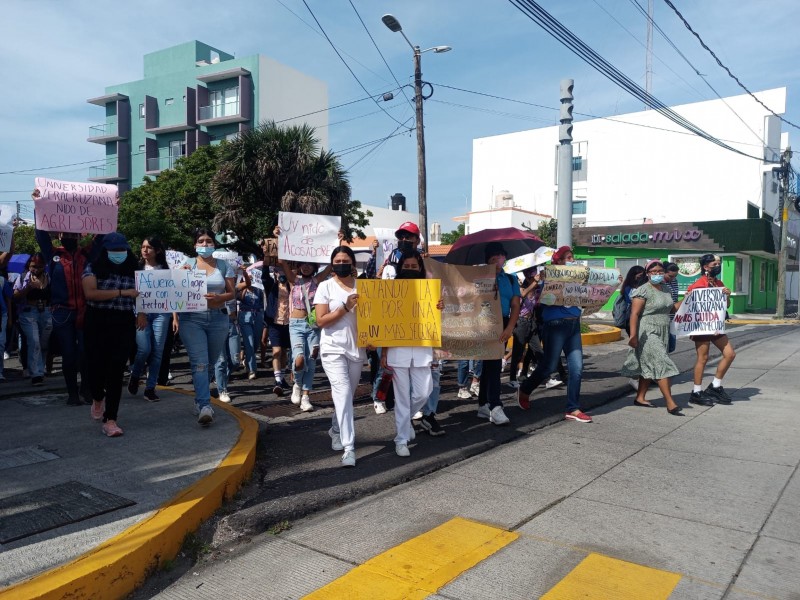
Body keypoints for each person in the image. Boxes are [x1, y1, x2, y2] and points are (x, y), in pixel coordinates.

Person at [34, 218, 106, 405]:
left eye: (73, 233)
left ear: (79, 235)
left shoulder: (87, 254)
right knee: (68, 354)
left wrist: (112, 210)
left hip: (84, 310)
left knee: (86, 352)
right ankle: (72, 393)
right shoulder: (52, 255)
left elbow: (101, 235)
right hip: (61, 312)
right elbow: (40, 234)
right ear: (59, 235)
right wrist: (38, 206)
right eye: (65, 233)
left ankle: (86, 389)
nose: (69, 236)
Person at [517, 246, 592, 423]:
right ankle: (525, 389)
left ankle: (573, 408)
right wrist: (540, 282)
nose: (572, 260)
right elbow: (541, 301)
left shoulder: (578, 280)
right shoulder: (548, 278)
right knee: (549, 366)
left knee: (577, 368)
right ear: (557, 262)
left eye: (572, 257)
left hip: (574, 324)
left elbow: (589, 298)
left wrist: (611, 284)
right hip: (555, 325)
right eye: (568, 257)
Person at [81, 233, 139, 437]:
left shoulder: (134, 270)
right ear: (105, 251)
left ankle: (111, 419)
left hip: (123, 322)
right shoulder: (92, 268)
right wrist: (122, 293)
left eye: (122, 250)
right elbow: (91, 293)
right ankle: (98, 397)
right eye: (114, 251)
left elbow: (145, 295)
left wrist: (142, 314)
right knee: (95, 367)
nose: (119, 254)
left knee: (116, 371)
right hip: (97, 321)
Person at [178, 228, 236, 425]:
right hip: (192, 319)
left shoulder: (223, 265)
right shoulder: (187, 264)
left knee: (210, 363)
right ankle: (205, 405)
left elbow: (232, 293)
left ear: (214, 244)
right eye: (201, 241)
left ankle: (199, 399)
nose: (205, 244)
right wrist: (180, 276)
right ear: (195, 245)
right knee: (200, 363)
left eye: (208, 241)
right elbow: (174, 291)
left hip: (218, 319)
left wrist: (220, 297)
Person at [314, 246, 365, 468]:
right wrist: (345, 307)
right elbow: (321, 320)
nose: (342, 263)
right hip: (333, 348)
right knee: (343, 393)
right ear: (332, 264)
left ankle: (335, 428)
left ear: (353, 263)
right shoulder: (325, 287)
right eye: (338, 260)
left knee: (347, 396)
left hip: (356, 349)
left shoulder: (364, 287)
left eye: (346, 260)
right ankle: (349, 447)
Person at [620, 260, 684, 416]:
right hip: (647, 331)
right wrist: (634, 335)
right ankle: (670, 402)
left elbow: (672, 308)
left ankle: (640, 397)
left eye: (660, 271)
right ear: (647, 273)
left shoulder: (666, 289)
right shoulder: (643, 290)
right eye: (653, 271)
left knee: (649, 365)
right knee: (661, 362)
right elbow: (634, 314)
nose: (657, 274)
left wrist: (687, 298)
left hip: (663, 329)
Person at [372, 222, 422, 414]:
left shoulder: (422, 261)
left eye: (409, 237)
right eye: (401, 237)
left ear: (417, 240)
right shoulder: (390, 260)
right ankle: (379, 397)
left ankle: (410, 402)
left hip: (413, 319)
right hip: (390, 316)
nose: (404, 240)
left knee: (409, 366)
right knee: (385, 364)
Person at [279, 251, 333, 413]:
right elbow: (282, 262)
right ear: (299, 266)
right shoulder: (294, 281)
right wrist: (279, 237)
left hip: (313, 326)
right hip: (295, 325)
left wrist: (338, 241)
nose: (307, 267)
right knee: (299, 359)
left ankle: (306, 396)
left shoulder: (317, 281)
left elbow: (330, 266)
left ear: (315, 266)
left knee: (311, 361)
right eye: (303, 264)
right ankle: (297, 383)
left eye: (310, 264)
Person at [476, 242, 520, 425]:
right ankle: (495, 405)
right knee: (491, 364)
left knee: (491, 365)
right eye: (492, 259)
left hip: (502, 322)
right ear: (487, 261)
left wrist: (509, 328)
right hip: (483, 322)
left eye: (499, 257)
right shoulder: (479, 279)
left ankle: (484, 405)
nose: (496, 261)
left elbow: (515, 305)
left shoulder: (511, 279)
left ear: (504, 258)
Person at [128, 237, 176, 402]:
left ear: (157, 250)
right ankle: (135, 375)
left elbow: (172, 295)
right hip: (142, 313)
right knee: (144, 349)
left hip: (162, 313)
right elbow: (132, 293)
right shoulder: (136, 268)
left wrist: (174, 317)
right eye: (143, 247)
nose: (145, 250)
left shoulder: (166, 269)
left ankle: (150, 388)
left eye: (149, 247)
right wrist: (140, 312)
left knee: (157, 352)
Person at [687, 253, 735, 406]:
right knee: (703, 358)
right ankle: (696, 391)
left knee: (730, 354)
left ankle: (715, 385)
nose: (718, 266)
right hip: (702, 327)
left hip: (716, 326)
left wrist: (727, 296)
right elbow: (691, 305)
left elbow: (725, 305)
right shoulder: (698, 284)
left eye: (719, 264)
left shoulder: (719, 283)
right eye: (715, 264)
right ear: (705, 266)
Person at [13, 253, 52, 386]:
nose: (36, 269)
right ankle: (36, 374)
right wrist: (28, 287)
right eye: (33, 266)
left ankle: (41, 368)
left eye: (39, 266)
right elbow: (16, 296)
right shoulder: (23, 277)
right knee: (34, 341)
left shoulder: (48, 277)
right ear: (29, 266)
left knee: (43, 342)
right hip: (29, 311)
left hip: (46, 311)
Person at [508, 267, 541, 389]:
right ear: (527, 277)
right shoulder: (521, 288)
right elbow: (522, 294)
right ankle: (512, 378)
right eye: (532, 276)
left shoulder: (536, 289)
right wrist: (535, 283)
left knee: (538, 350)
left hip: (531, 322)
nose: (535, 278)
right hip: (521, 322)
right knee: (517, 352)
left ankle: (541, 377)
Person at [264, 266, 292, 396]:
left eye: (283, 272)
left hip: (288, 322)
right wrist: (265, 262)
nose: (281, 274)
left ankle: (282, 377)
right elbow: (264, 278)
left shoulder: (292, 286)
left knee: (285, 352)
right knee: (277, 351)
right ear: (275, 273)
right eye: (278, 272)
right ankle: (277, 381)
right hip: (274, 323)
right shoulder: (271, 286)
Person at [236, 265, 265, 382]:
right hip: (245, 317)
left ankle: (248, 359)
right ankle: (252, 369)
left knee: (257, 342)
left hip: (258, 316)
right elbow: (238, 298)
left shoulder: (260, 289)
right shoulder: (242, 289)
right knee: (250, 343)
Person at [662, 262, 680, 353]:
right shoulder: (659, 283)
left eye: (675, 276)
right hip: (663, 318)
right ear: (664, 272)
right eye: (670, 276)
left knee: (671, 346)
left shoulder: (674, 281)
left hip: (673, 317)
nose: (672, 278)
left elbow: (675, 298)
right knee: (663, 346)